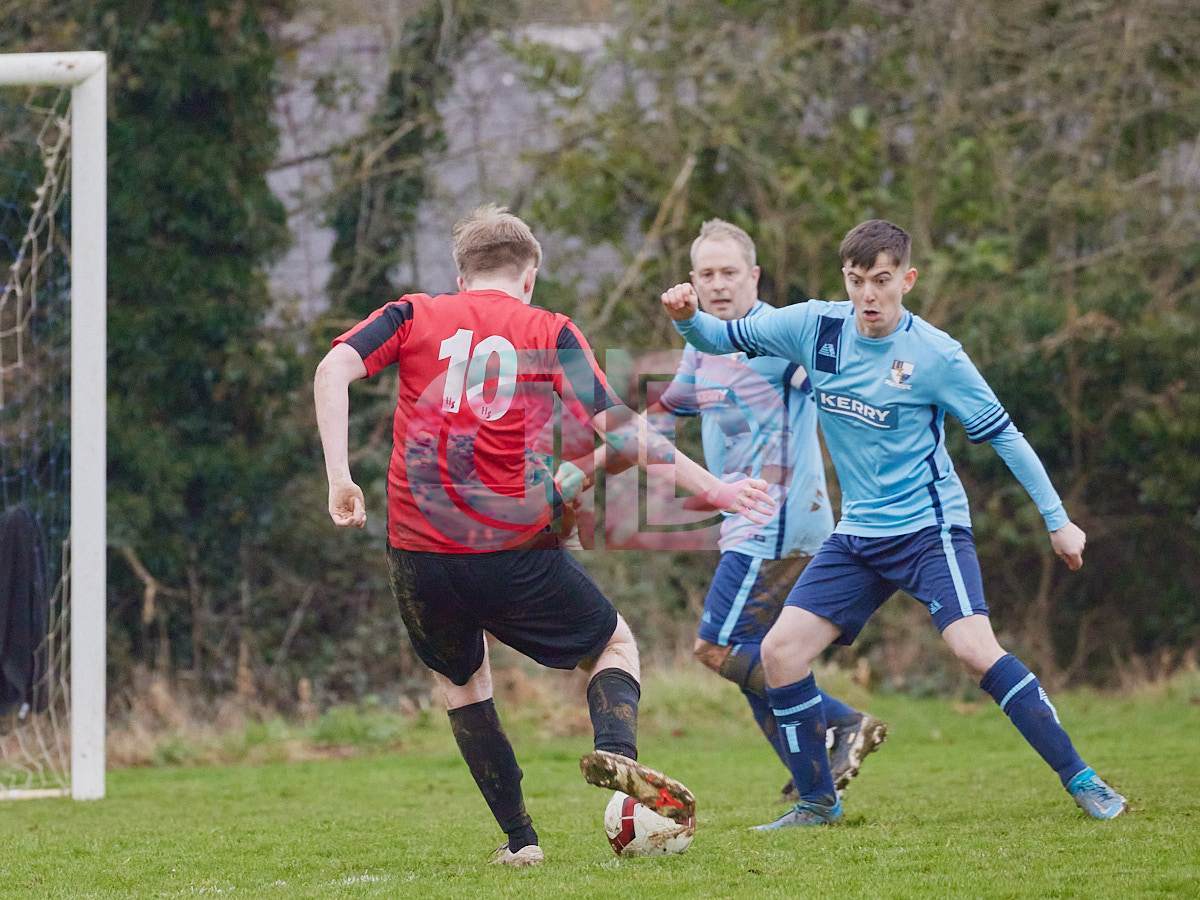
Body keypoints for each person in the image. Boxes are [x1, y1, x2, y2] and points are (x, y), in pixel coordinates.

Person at [314, 205, 775, 866]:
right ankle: (616, 754)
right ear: (529, 277)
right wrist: (716, 489)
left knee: (463, 685)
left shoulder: (412, 313)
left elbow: (333, 368)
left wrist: (340, 477)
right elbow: (624, 431)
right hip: (508, 549)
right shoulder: (548, 330)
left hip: (416, 553)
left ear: (461, 274)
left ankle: (521, 841)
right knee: (613, 644)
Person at [661, 219, 1127, 827]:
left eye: (881, 280)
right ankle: (817, 804)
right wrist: (686, 317)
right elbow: (718, 336)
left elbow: (1005, 436)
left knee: (974, 651)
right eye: (857, 281)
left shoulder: (936, 355)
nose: (869, 295)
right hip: (858, 535)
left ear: (906, 280)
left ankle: (1083, 779)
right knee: (779, 653)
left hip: (929, 530)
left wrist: (1057, 520)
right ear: (845, 280)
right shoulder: (814, 327)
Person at [567, 219, 886, 802]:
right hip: (749, 523)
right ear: (692, 280)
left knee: (716, 648)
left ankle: (840, 723)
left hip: (779, 523)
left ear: (754, 276)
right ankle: (816, 776)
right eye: (707, 273)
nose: (717, 284)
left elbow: (839, 380)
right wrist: (588, 467)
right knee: (755, 655)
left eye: (729, 272)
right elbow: (657, 424)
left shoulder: (780, 337)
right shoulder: (701, 347)